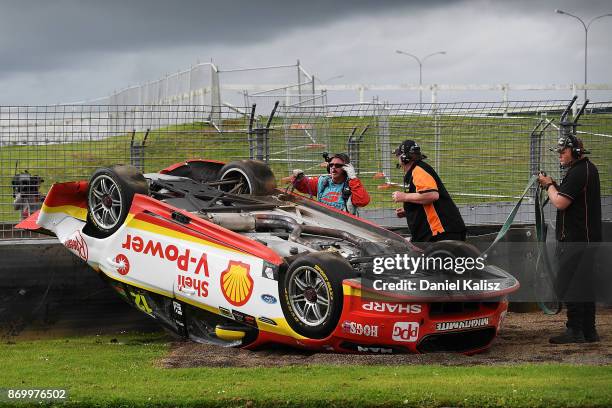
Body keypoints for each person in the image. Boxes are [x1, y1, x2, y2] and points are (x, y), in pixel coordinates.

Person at [538, 134, 602, 344]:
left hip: (576, 239)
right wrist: (554, 184)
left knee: (570, 284)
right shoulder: (587, 169)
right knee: (585, 285)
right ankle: (589, 331)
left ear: (575, 151)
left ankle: (575, 330)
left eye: (563, 152)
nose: (560, 156)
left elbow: (560, 202)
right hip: (587, 238)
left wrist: (549, 185)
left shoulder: (577, 172)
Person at [391, 140, 466, 242]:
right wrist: (409, 210)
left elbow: (432, 195)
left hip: (441, 233)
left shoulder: (418, 170)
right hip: (440, 232)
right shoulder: (418, 169)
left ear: (404, 158)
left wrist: (404, 197)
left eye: (398, 155)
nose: (397, 159)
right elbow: (424, 197)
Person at [290, 153, 370, 214]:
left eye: (338, 165)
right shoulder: (323, 181)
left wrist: (353, 178)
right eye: (331, 165)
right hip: (323, 222)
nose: (333, 167)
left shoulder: (352, 185)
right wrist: (299, 178)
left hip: (345, 226)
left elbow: (362, 201)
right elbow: (303, 186)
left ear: (346, 169)